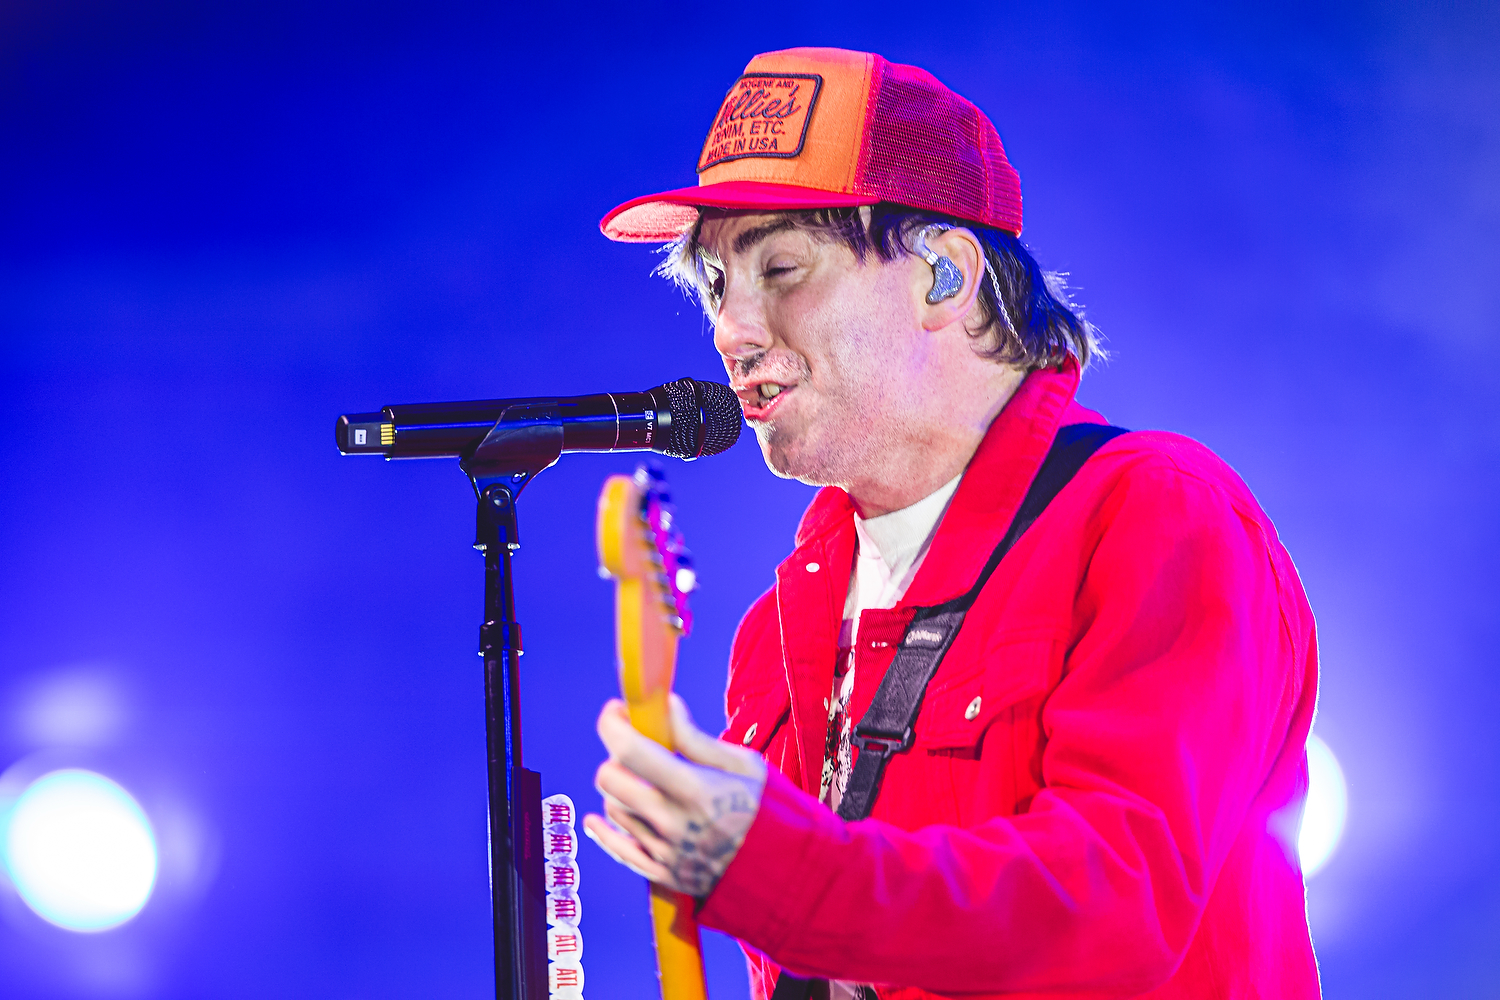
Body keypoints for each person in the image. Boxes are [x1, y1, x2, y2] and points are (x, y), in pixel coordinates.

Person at [582, 46, 1321, 1000]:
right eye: (718, 285)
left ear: (943, 273)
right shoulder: (777, 631)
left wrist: (778, 867)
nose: (731, 330)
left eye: (782, 268)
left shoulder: (1154, 514)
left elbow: (1111, 906)